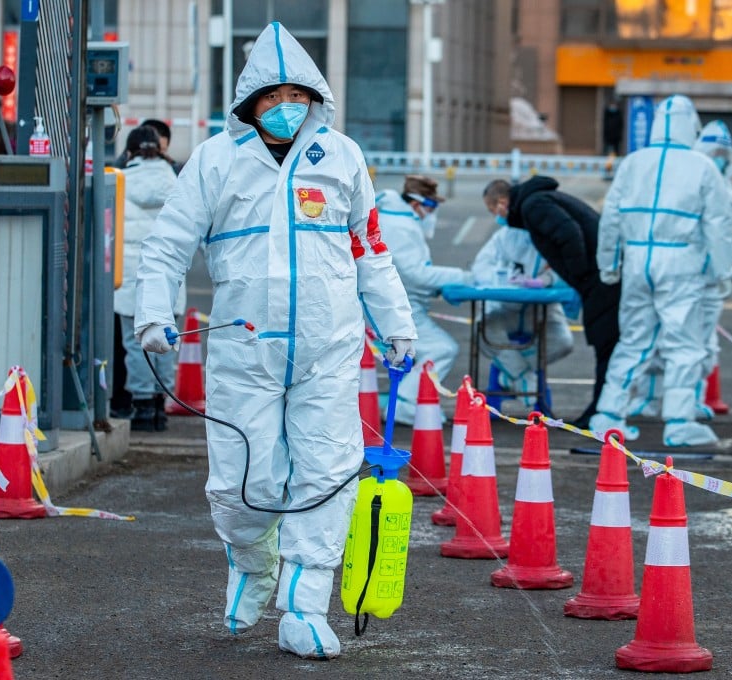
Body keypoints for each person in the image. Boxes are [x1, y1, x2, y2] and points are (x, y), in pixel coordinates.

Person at [133, 22, 415, 659]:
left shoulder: (341, 156)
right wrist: (154, 313)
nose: (286, 106)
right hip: (243, 353)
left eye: (297, 94)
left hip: (330, 349)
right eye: (272, 96)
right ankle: (252, 566)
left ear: (314, 97)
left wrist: (395, 324)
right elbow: (169, 244)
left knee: (327, 472)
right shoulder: (216, 159)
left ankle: (305, 606)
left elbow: (371, 248)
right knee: (242, 482)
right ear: (249, 103)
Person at [590, 94, 732, 446]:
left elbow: (610, 218)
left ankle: (609, 415)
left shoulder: (632, 163)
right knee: (684, 344)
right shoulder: (702, 167)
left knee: (634, 340)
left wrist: (608, 263)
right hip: (682, 262)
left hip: (638, 261)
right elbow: (719, 225)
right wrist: (724, 271)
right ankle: (679, 420)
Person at [627, 120, 732, 420]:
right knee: (657, 337)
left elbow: (731, 236)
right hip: (682, 276)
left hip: (709, 283)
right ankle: (648, 398)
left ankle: (690, 402)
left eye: (723, 152)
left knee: (700, 345)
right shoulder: (685, 185)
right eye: (714, 150)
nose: (718, 157)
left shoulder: (728, 194)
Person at [482, 176, 621, 428]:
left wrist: (578, 275)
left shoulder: (533, 206)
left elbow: (569, 234)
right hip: (602, 276)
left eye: (494, 210)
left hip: (601, 280)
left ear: (503, 202)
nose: (497, 217)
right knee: (607, 345)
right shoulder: (538, 202)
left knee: (606, 345)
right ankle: (599, 409)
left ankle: (602, 412)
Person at [375, 175, 470, 425]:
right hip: (399, 307)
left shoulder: (396, 219)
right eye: (432, 207)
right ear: (417, 204)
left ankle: (408, 401)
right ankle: (407, 405)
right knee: (442, 349)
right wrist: (464, 276)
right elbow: (415, 273)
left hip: (400, 303)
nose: (432, 214)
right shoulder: (400, 227)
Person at [113, 126, 184, 431]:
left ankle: (141, 406)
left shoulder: (119, 181)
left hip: (129, 276)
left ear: (130, 152)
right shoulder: (177, 182)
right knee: (167, 338)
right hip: (170, 276)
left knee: (135, 341)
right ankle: (160, 405)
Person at [470, 216, 574, 414]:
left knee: (563, 341)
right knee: (483, 329)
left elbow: (570, 272)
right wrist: (504, 281)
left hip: (544, 310)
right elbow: (480, 268)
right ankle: (524, 378)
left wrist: (548, 279)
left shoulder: (555, 240)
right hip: (506, 308)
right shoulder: (503, 237)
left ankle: (509, 376)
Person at [113, 119, 183, 174]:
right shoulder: (120, 169)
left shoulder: (173, 170)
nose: (158, 154)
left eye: (162, 150)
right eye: (152, 149)